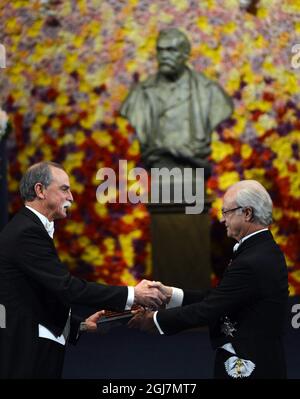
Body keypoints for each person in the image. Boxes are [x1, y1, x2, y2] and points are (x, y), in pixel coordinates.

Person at [0, 161, 168, 379]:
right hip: (26, 353)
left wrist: (79, 325)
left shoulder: (28, 228)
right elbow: (66, 287)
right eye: (64, 189)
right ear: (40, 190)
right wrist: (133, 294)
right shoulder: (25, 232)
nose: (71, 197)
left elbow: (37, 294)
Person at [129, 180, 289, 379]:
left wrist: (154, 319)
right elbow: (223, 296)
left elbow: (211, 309)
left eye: (227, 212)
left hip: (250, 365)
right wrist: (170, 295)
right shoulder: (261, 249)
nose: (223, 220)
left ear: (247, 213)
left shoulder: (253, 259)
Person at [120, 28, 233, 176]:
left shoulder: (209, 92)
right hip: (159, 171)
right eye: (160, 50)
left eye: (171, 50)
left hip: (193, 174)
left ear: (185, 55)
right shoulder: (140, 94)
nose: (164, 56)